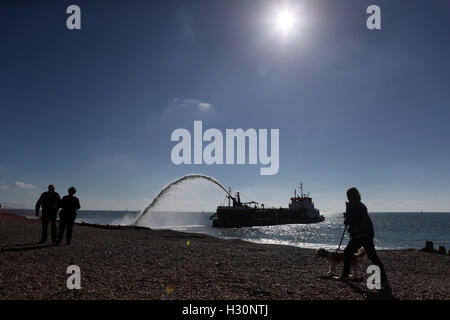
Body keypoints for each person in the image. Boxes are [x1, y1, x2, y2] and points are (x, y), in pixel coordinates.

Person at [337, 187, 389, 288]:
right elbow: (359, 217)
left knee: (348, 252)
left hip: (360, 234)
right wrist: (349, 219)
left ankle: (344, 276)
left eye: (348, 195)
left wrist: (348, 220)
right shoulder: (360, 204)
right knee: (373, 257)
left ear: (350, 196)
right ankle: (384, 280)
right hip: (367, 232)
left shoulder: (354, 205)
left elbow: (356, 218)